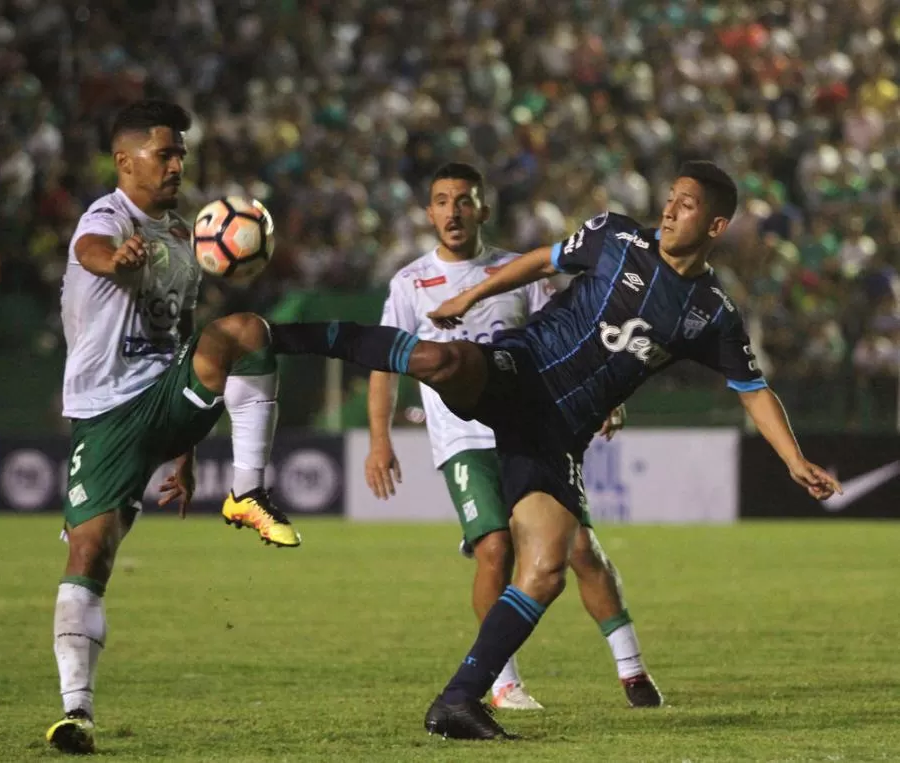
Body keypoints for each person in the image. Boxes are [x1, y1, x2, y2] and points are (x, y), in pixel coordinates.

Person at [267, 160, 843, 740]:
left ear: (716, 226)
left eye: (685, 204)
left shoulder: (712, 314)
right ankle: (283, 339)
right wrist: (473, 294)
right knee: (443, 360)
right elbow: (544, 260)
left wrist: (794, 460)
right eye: (670, 198)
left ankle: (458, 702)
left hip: (557, 434)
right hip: (523, 369)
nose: (668, 209)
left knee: (545, 571)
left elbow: (752, 388)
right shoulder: (615, 236)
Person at [46, 99, 300, 755]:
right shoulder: (107, 217)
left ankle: (247, 490)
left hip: (164, 397)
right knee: (90, 552)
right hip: (105, 413)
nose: (178, 164)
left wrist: (185, 448)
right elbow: (92, 252)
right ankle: (77, 712)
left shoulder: (189, 238)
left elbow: (181, 337)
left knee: (245, 331)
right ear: (124, 160)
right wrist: (119, 258)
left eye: (182, 153)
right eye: (165, 153)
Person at [367, 162, 654, 712]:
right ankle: (502, 681)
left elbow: (572, 339)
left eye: (465, 200)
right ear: (429, 212)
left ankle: (632, 670)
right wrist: (380, 438)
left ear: (483, 209)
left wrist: (605, 396)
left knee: (579, 549)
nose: (453, 211)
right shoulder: (409, 283)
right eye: (443, 200)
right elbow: (384, 363)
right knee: (494, 550)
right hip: (463, 440)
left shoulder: (516, 272)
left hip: (531, 430)